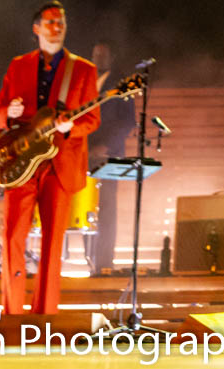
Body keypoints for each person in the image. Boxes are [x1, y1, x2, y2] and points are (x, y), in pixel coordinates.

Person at [0, 1, 99, 315]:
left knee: (53, 243)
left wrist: (71, 127)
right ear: (36, 28)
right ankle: (12, 313)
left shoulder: (83, 70)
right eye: (50, 22)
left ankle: (46, 315)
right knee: (12, 236)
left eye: (61, 22)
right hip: (21, 163)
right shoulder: (18, 66)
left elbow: (92, 120)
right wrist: (8, 113)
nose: (57, 28)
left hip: (59, 162)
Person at [87, 42, 136, 276]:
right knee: (83, 211)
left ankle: (104, 264)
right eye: (95, 54)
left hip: (108, 156)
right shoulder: (85, 83)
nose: (99, 58)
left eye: (103, 54)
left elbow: (128, 121)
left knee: (106, 209)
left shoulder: (121, 83)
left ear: (111, 57)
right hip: (82, 154)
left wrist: (105, 146)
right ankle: (88, 259)